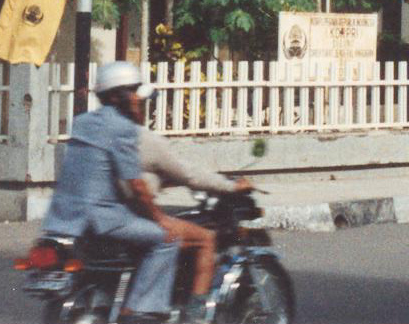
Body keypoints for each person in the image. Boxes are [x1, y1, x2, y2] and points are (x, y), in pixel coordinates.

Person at [38, 61, 180, 324]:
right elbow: (136, 185)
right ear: (117, 95)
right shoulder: (122, 127)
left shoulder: (82, 122)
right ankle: (140, 311)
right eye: (133, 91)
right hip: (102, 218)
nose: (137, 97)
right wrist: (161, 219)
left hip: (65, 216)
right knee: (167, 240)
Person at [130, 82, 255, 305]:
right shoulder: (144, 139)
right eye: (143, 106)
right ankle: (196, 312)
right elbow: (189, 174)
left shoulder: (101, 133)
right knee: (206, 238)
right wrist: (231, 186)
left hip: (111, 218)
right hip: (138, 218)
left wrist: (163, 179)